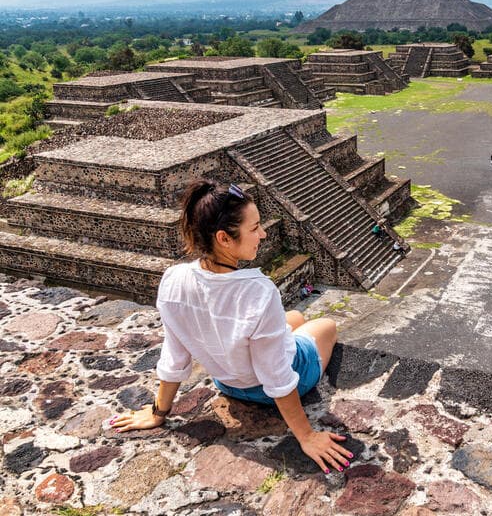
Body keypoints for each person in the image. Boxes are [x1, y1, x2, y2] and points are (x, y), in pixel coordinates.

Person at [110, 180, 351, 474]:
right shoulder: (258, 291)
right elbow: (277, 377)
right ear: (224, 238)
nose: (262, 234)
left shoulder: (173, 280)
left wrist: (159, 413)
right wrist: (307, 436)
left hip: (229, 383)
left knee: (295, 320)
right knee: (325, 325)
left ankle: (291, 334)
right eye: (255, 228)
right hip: (278, 384)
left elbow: (176, 356)